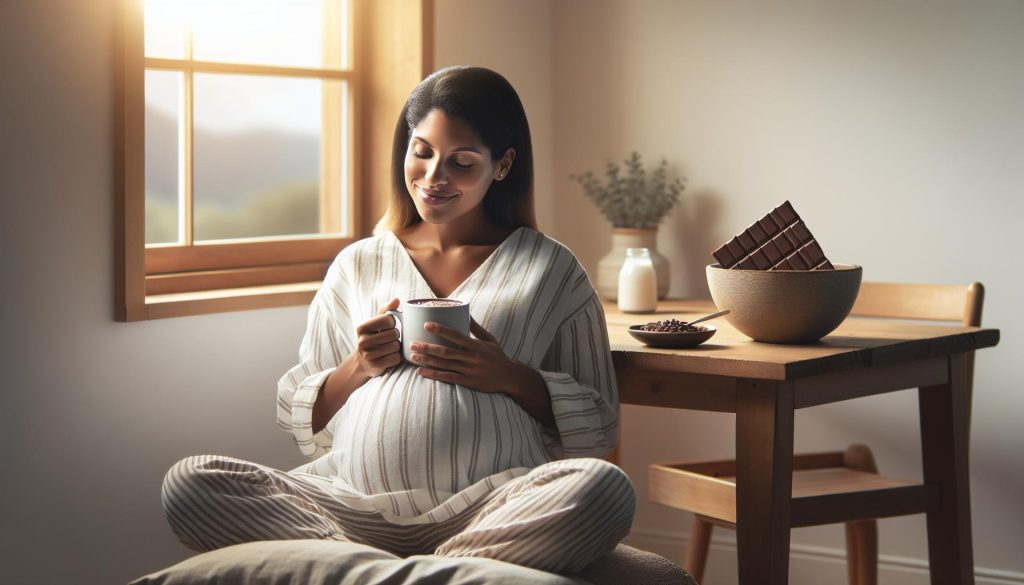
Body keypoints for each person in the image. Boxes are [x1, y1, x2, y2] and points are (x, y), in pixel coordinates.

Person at [160, 66, 635, 575]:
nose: (433, 178)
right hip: (348, 509)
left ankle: (367, 570)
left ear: (503, 165)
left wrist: (509, 375)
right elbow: (303, 421)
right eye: (422, 152)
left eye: (461, 162)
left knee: (604, 490)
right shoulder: (358, 263)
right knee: (190, 483)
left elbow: (598, 424)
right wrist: (358, 367)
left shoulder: (551, 268)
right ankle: (441, 573)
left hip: (491, 510)